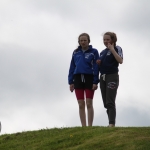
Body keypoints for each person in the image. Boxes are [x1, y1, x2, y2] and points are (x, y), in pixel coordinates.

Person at [68, 33, 99, 126]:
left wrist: (95, 81)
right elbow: (72, 67)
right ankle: (83, 126)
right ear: (79, 42)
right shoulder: (75, 52)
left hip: (89, 78)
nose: (83, 42)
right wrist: (70, 82)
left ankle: (90, 126)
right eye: (81, 40)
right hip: (77, 78)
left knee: (89, 103)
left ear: (88, 41)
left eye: (85, 40)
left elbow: (96, 67)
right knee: (81, 104)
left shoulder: (94, 52)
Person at [97, 32, 123, 127]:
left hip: (112, 76)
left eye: (108, 39)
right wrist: (99, 63)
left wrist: (112, 50)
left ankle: (111, 123)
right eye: (104, 39)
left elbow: (120, 60)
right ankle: (110, 123)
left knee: (110, 101)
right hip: (102, 77)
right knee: (105, 102)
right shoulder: (102, 52)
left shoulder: (117, 48)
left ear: (113, 40)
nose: (106, 41)